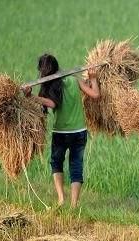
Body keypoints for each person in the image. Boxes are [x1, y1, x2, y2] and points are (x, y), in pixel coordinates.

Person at [23, 54, 100, 208]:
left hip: (61, 133)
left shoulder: (51, 85)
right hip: (79, 132)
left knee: (56, 163)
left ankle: (61, 199)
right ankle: (74, 204)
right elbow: (95, 95)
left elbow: (51, 103)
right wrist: (93, 78)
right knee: (76, 165)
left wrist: (31, 96)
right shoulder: (74, 79)